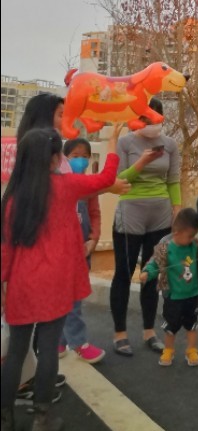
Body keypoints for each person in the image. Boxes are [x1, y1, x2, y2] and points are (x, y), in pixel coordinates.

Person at [1, 125, 121, 431]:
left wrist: (2, 284)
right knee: (49, 348)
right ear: (56, 157)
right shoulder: (66, 186)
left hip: (21, 284)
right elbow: (105, 179)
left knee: (16, 353)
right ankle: (42, 419)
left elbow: (6, 247)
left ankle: (4, 423)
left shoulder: (13, 196)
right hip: (54, 283)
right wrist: (112, 142)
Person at [110, 98, 183, 356]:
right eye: (146, 117)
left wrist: (176, 209)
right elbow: (118, 179)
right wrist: (141, 162)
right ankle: (120, 333)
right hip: (131, 212)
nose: (151, 123)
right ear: (137, 118)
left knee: (151, 274)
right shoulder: (125, 142)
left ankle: (149, 331)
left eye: (156, 118)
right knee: (124, 273)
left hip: (160, 214)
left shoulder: (170, 145)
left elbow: (173, 180)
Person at [139, 208, 198, 368]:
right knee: (171, 327)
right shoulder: (165, 249)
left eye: (194, 235)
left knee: (192, 325)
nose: (192, 239)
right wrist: (146, 273)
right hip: (173, 297)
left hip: (193, 295)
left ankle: (191, 350)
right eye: (190, 235)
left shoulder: (195, 246)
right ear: (177, 233)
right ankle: (169, 350)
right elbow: (154, 264)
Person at [58, 138, 105, 364]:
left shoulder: (89, 186)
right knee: (69, 298)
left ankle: (58, 342)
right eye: (75, 156)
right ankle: (78, 342)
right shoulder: (58, 184)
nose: (81, 161)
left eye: (85, 156)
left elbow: (95, 214)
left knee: (71, 297)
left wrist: (93, 239)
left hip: (83, 251)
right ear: (64, 158)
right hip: (62, 252)